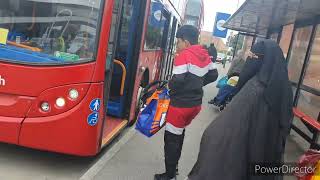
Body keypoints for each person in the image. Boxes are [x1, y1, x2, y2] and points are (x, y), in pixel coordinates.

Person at [187, 40, 293, 180]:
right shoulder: (283, 88)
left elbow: (219, 133)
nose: (250, 60)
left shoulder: (254, 88)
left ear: (263, 61)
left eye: (254, 57)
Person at [154, 25, 218, 180]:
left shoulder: (184, 55)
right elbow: (214, 74)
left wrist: (169, 87)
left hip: (180, 106)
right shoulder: (205, 53)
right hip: (195, 105)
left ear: (186, 42)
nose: (177, 45)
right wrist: (196, 85)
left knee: (171, 139)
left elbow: (177, 81)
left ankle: (169, 174)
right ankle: (173, 166)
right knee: (179, 133)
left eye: (178, 42)